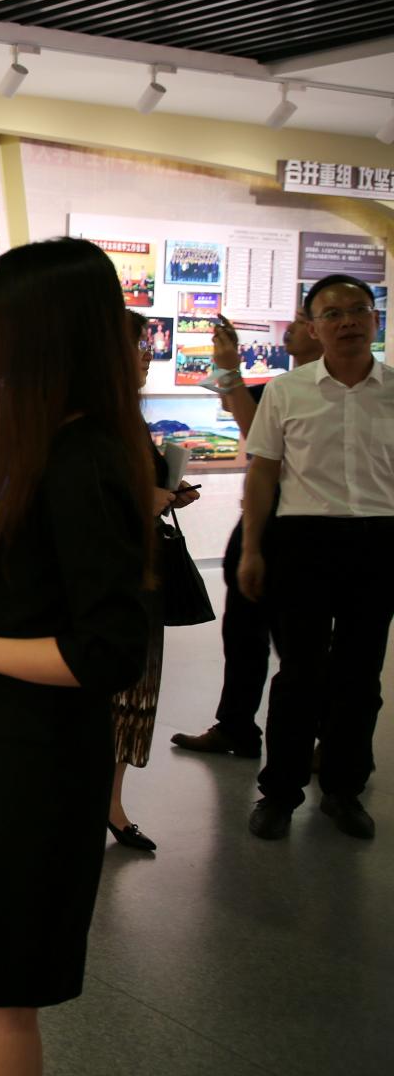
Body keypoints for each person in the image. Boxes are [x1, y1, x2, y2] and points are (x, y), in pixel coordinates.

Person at [0, 237, 151, 1076]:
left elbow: (108, 650)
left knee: (0, 997)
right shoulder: (38, 448)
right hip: (3, 747)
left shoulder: (83, 462)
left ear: (41, 328)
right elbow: (40, 609)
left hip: (39, 769)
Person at [242, 274, 393, 842]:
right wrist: (252, 549)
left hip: (380, 540)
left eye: (359, 309)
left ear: (375, 318)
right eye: (332, 313)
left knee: (361, 675)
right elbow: (262, 473)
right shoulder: (287, 391)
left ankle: (343, 790)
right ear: (311, 327)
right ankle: (279, 794)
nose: (348, 321)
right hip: (304, 540)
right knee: (300, 674)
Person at [172, 314, 322, 758]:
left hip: (304, 525)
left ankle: (327, 740)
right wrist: (225, 365)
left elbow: (257, 437)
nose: (289, 329)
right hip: (262, 518)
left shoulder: (327, 395)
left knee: (300, 642)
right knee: (242, 630)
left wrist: (230, 367)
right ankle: (235, 726)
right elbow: (237, 413)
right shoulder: (281, 388)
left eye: (301, 321)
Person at [107, 312, 202, 854]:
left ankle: (111, 803)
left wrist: (165, 493)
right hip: (112, 582)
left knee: (132, 696)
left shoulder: (127, 417)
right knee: (111, 694)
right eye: (137, 346)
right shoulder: (88, 423)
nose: (148, 355)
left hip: (141, 575)